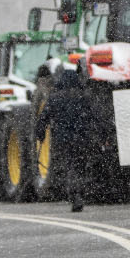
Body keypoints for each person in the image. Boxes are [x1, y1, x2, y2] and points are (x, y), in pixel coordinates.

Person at [35, 65, 97, 212]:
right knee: (80, 167)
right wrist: (99, 135)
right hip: (83, 139)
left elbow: (43, 118)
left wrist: (40, 134)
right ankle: (79, 192)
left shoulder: (55, 98)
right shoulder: (84, 97)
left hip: (63, 140)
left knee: (70, 166)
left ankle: (74, 195)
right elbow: (95, 117)